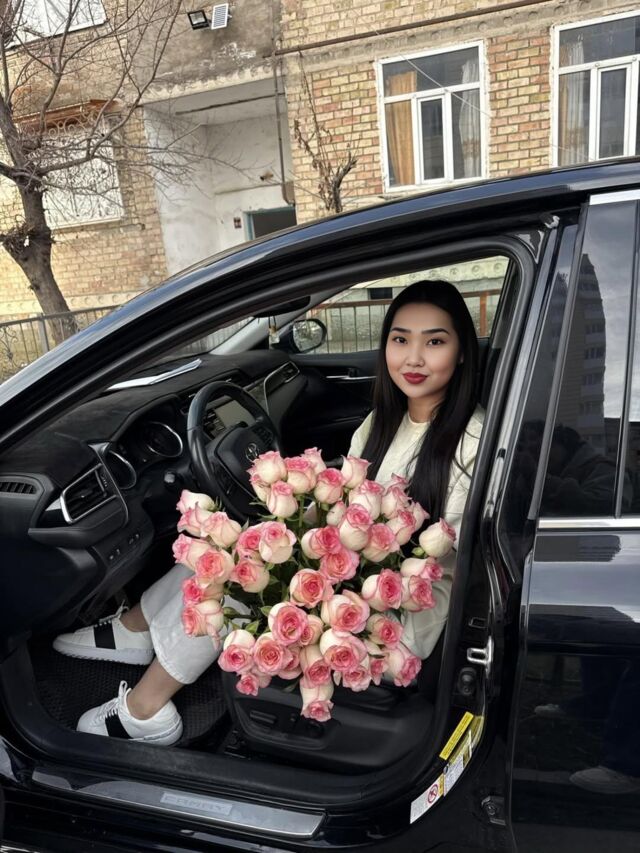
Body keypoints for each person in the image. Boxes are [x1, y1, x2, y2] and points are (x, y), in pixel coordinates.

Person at [53, 279, 484, 745]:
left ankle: (146, 710)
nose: (413, 358)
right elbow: (347, 500)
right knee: (227, 546)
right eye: (400, 340)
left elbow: (440, 561)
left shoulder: (471, 444)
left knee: (243, 582)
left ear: (462, 351)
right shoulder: (385, 420)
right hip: (363, 569)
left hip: (404, 607)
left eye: (434, 342)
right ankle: (136, 629)